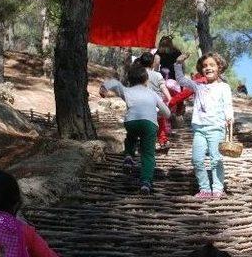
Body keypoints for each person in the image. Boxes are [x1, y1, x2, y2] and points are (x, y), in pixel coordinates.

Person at [100, 64, 171, 194]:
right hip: (149, 124)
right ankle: (145, 182)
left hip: (131, 122)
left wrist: (103, 88)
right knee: (148, 154)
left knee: (131, 137)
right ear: (146, 80)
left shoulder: (126, 91)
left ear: (130, 80)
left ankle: (128, 156)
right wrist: (158, 113)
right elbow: (167, 113)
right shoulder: (153, 94)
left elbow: (115, 83)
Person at [174, 52, 233, 199]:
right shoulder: (197, 85)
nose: (208, 68)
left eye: (212, 65)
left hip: (216, 128)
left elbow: (228, 105)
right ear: (201, 69)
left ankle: (218, 189)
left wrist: (229, 117)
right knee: (197, 159)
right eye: (205, 66)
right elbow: (181, 80)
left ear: (219, 67)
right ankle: (205, 189)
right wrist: (178, 63)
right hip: (199, 129)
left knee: (216, 159)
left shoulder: (224, 87)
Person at [134, 51, 172, 149]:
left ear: (141, 63)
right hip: (157, 105)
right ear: (152, 63)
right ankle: (163, 140)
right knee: (161, 123)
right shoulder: (158, 75)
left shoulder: (137, 75)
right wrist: (170, 98)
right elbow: (163, 87)